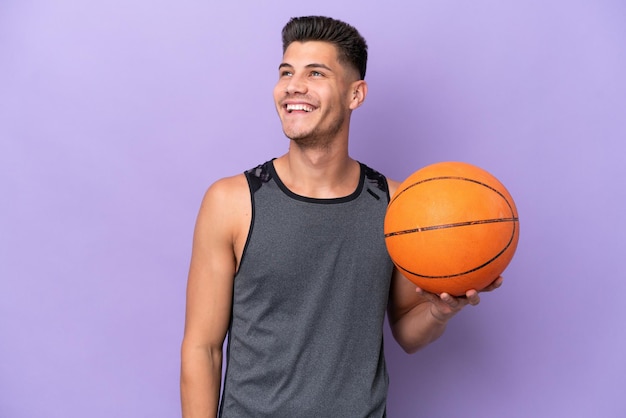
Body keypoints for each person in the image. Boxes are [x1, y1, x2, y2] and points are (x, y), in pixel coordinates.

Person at [180, 15, 502, 418]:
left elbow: (407, 331)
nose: (294, 85)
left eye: (315, 73)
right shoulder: (232, 201)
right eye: (286, 72)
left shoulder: (398, 205)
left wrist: (439, 311)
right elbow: (202, 348)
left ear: (355, 94)